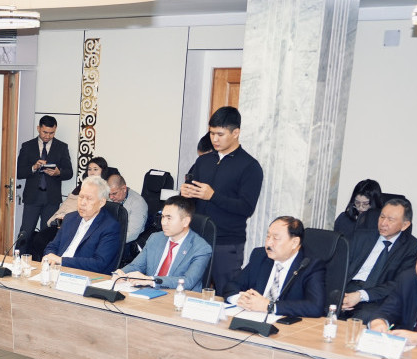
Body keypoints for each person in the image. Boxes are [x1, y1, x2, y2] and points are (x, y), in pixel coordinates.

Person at [181, 106, 263, 294]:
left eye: (220, 134)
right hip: (197, 237)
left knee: (227, 293)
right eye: (211, 133)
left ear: (236, 133)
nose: (215, 139)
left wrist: (213, 196)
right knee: (190, 290)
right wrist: (186, 193)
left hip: (227, 243)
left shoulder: (250, 166)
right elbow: (192, 200)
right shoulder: (203, 161)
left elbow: (246, 208)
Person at [231, 216, 327, 318]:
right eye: (268, 236)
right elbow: (232, 286)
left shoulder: (310, 265)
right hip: (252, 318)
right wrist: (240, 299)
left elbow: (315, 307)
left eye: (276, 238)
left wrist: (270, 306)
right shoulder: (260, 256)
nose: (268, 243)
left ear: (294, 242)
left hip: (286, 324)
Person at [341, 198, 417, 318]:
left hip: (376, 297)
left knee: (365, 317)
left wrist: (361, 295)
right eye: (382, 217)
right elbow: (340, 266)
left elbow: (399, 283)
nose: (383, 223)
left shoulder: (413, 248)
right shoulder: (360, 236)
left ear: (405, 225)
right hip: (347, 287)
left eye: (390, 219)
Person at [114, 196, 211, 291]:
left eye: (169, 218)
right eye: (163, 217)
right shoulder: (155, 238)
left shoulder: (201, 248)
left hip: (180, 296)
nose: (163, 222)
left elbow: (188, 282)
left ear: (185, 222)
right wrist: (121, 273)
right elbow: (137, 265)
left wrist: (151, 280)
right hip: (149, 293)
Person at [28, 156, 108, 260]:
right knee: (39, 238)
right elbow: (65, 207)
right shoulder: (80, 188)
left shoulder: (104, 191)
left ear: (103, 171)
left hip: (78, 226)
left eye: (95, 169)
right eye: (89, 169)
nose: (92, 172)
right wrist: (57, 220)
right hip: (63, 223)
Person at [41, 175, 122, 274]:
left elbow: (99, 263)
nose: (82, 202)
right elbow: (52, 246)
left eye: (89, 199)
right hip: (57, 271)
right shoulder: (70, 218)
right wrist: (50, 257)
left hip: (85, 276)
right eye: (81, 197)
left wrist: (61, 261)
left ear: (101, 202)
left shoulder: (110, 227)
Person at [16, 115, 74, 239]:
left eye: (51, 133)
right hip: (32, 197)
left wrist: (58, 173)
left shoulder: (62, 147)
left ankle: (45, 253)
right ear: (38, 128)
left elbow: (69, 173)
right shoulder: (27, 146)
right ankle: (20, 252)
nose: (47, 136)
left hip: (52, 199)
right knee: (25, 233)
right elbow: (19, 172)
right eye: (45, 132)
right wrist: (34, 167)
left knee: (48, 235)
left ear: (55, 130)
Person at [107, 171, 149, 255]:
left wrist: (108, 241)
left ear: (124, 189)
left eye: (114, 193)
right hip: (110, 237)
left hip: (126, 243)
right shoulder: (110, 198)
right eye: (109, 194)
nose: (111, 197)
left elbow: (132, 234)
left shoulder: (138, 203)